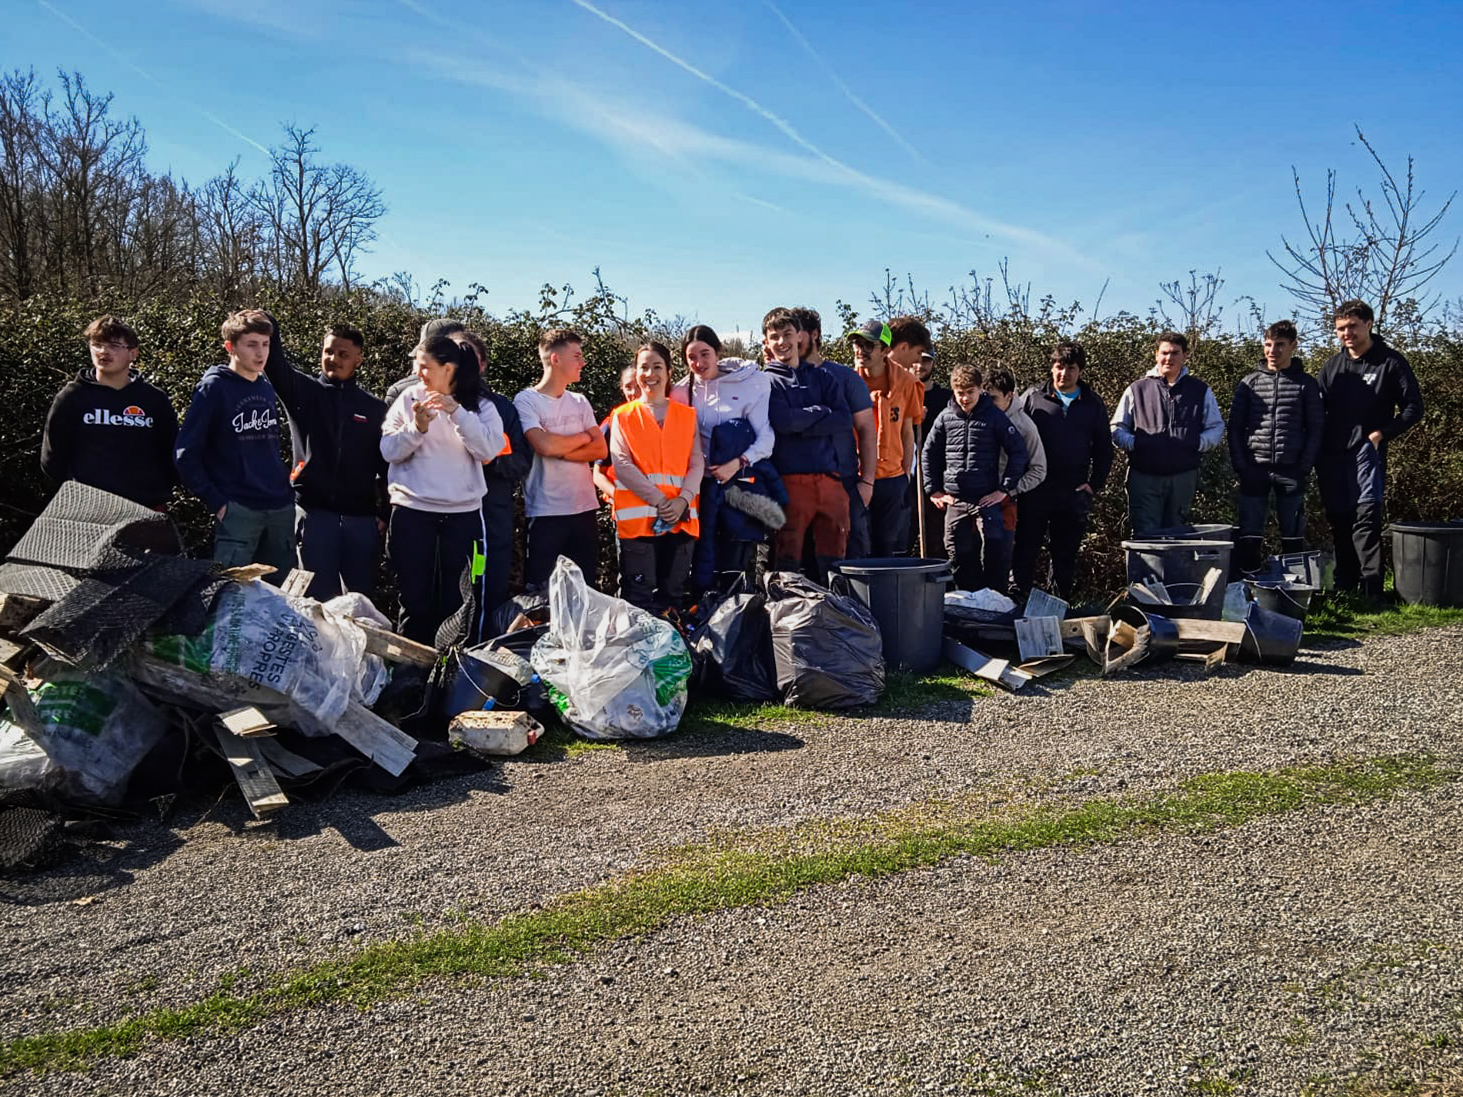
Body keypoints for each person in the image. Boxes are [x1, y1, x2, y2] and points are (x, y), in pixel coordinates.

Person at [380, 335, 504, 645]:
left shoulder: (482, 405)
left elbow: (489, 450)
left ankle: (451, 667)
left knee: (458, 600)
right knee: (414, 600)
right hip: (412, 512)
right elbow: (388, 450)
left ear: (448, 369)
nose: (417, 372)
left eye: (425, 366)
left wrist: (456, 412)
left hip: (463, 515)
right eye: (417, 365)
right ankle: (409, 668)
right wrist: (417, 428)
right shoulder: (409, 397)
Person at [263, 321, 387, 602]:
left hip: (361, 520)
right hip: (314, 515)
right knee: (314, 601)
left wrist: (385, 512)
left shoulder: (375, 408)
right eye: (328, 351)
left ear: (359, 359)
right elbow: (275, 365)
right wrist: (269, 323)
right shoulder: (304, 392)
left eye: (343, 354)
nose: (334, 359)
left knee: (360, 602)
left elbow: (387, 465)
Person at [1317, 299, 1424, 602]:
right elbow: (1317, 409)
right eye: (1340, 328)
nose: (1346, 333)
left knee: (1365, 519)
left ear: (1369, 324)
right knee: (1339, 521)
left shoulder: (1389, 362)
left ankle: (1373, 591)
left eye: (1352, 326)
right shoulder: (1333, 367)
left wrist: (1381, 435)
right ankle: (1345, 587)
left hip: (1366, 454)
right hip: (1331, 456)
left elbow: (1414, 407)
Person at [175, 309, 295, 578]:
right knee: (231, 590)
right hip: (239, 509)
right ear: (230, 347)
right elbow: (186, 454)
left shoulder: (265, 387)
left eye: (265, 344)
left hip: (279, 507)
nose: (260, 353)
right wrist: (217, 502)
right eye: (251, 344)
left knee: (279, 593)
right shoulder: (214, 388)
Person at [671, 324, 774, 592]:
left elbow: (766, 439)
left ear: (718, 351)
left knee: (734, 557)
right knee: (700, 556)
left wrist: (738, 463)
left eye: (705, 354)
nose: (699, 363)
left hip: (736, 483)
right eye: (691, 357)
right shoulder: (680, 392)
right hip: (697, 486)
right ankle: (701, 608)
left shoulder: (749, 383)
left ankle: (736, 608)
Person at [41, 314, 178, 510]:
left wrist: (154, 491)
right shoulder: (71, 397)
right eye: (97, 345)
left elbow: (171, 452)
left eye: (114, 346)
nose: (104, 351)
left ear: (133, 353)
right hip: (87, 508)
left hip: (144, 508)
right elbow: (52, 457)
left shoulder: (154, 400)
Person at [1013, 342, 1112, 602]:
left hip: (1073, 492)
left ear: (1080, 371)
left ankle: (1058, 607)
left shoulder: (1092, 403)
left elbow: (1104, 448)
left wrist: (1093, 484)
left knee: (1064, 556)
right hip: (1034, 491)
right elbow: (1013, 439)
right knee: (1025, 550)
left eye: (1071, 368)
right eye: (1059, 367)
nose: (1063, 373)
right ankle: (1017, 603)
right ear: (1051, 367)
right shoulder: (1032, 398)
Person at [609, 341, 703, 612]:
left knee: (673, 598)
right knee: (639, 600)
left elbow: (697, 462)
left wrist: (682, 500)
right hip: (639, 523)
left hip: (681, 520)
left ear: (669, 372)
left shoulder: (687, 416)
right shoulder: (622, 416)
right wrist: (662, 502)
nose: (650, 374)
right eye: (644, 367)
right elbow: (621, 465)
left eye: (657, 367)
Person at [1227, 319, 1324, 573]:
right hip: (1254, 467)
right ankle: (1248, 585)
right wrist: (1241, 465)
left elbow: (1316, 428)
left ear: (1293, 346)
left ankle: (1294, 588)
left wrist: (1304, 466)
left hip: (1291, 469)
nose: (1273, 350)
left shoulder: (1306, 384)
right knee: (1249, 535)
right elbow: (1234, 427)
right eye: (1268, 344)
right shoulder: (1249, 383)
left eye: (1280, 345)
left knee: (1293, 535)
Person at [763, 307, 852, 580]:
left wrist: (803, 423)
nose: (782, 342)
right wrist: (821, 411)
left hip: (830, 479)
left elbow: (843, 419)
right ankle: (784, 603)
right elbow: (784, 422)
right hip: (790, 481)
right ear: (766, 342)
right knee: (787, 553)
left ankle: (835, 603)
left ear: (799, 336)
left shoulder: (822, 377)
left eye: (787, 334)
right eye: (775, 336)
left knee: (835, 554)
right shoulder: (766, 381)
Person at [451, 330, 531, 633]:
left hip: (491, 518)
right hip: (445, 515)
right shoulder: (433, 404)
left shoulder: (501, 408)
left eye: (469, 357)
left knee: (485, 585)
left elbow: (522, 460)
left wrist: (491, 461)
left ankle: (479, 649)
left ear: (482, 364)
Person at [922, 364, 1027, 591]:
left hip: (986, 498)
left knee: (994, 550)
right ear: (953, 391)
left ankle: (995, 601)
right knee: (956, 553)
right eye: (960, 393)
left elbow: (1018, 451)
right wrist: (933, 490)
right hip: (956, 499)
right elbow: (928, 452)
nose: (965, 398)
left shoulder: (995, 417)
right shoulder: (945, 417)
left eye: (970, 392)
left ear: (980, 389)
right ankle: (966, 599)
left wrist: (1004, 489)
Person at [514, 328, 605, 588]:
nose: (582, 362)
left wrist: (560, 449)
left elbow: (600, 449)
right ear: (555, 359)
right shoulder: (526, 400)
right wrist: (583, 437)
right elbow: (543, 445)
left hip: (584, 510)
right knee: (542, 592)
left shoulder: (580, 401)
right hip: (545, 513)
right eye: (576, 356)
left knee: (584, 591)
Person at [1109, 331, 1224, 535]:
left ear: (1185, 355)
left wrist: (1196, 443)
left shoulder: (1200, 390)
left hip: (1183, 476)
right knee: (1145, 535)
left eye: (1175, 353)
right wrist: (1136, 444)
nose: (1168, 358)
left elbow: (1216, 427)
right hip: (1143, 475)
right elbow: (1117, 427)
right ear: (1156, 355)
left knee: (1177, 534)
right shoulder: (1137, 389)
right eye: (1164, 353)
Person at [790, 307, 876, 558]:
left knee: (850, 562)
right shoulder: (779, 379)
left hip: (844, 483)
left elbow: (866, 429)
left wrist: (867, 482)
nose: (790, 341)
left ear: (814, 334)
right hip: (795, 486)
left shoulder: (845, 378)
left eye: (796, 334)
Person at [849, 319, 924, 555]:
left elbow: (907, 431)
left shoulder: (907, 383)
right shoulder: (847, 381)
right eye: (857, 344)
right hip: (856, 477)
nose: (861, 351)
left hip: (892, 478)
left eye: (868, 345)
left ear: (885, 351)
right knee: (858, 546)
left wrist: (905, 475)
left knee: (887, 547)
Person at [983, 367, 1048, 593]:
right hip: (973, 499)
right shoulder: (976, 417)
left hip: (1004, 504)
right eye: (985, 397)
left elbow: (1039, 469)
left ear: (1009, 395)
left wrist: (1010, 490)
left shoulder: (1024, 426)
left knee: (999, 565)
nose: (988, 403)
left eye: (994, 398)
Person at [593, 366, 640, 503]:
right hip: (627, 509)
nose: (633, 392)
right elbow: (598, 474)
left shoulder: (665, 419)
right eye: (628, 387)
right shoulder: (613, 423)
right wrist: (621, 499)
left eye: (638, 386)